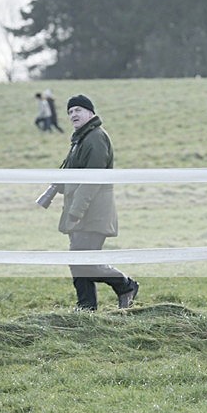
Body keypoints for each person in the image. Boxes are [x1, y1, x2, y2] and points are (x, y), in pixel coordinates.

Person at [57, 94, 139, 310]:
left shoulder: (95, 138)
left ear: (91, 113)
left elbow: (91, 182)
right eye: (70, 111)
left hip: (92, 213)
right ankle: (87, 306)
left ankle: (124, 285)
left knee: (84, 262)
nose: (73, 114)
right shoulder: (81, 139)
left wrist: (75, 213)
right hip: (84, 212)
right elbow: (75, 177)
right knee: (79, 260)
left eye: (78, 110)